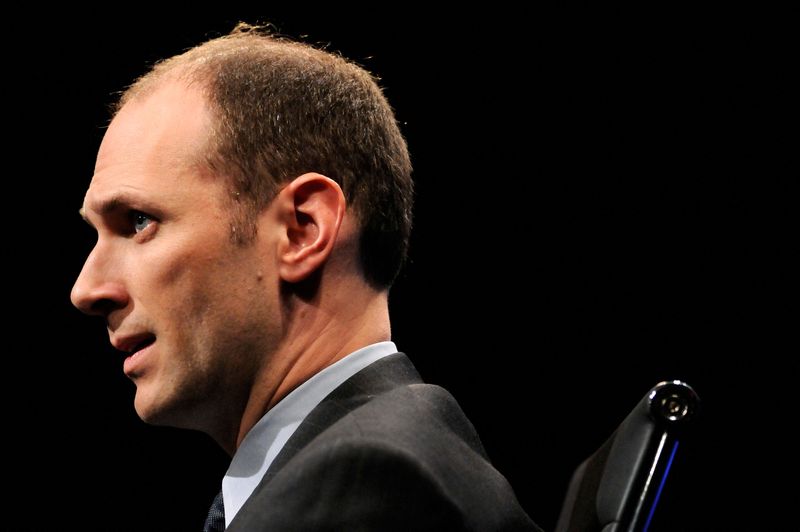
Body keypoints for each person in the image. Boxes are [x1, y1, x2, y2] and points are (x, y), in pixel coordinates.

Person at [71, 23, 540, 531]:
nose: (86, 290)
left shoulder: (366, 488)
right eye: (96, 233)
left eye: (139, 221)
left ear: (302, 231)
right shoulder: (390, 458)